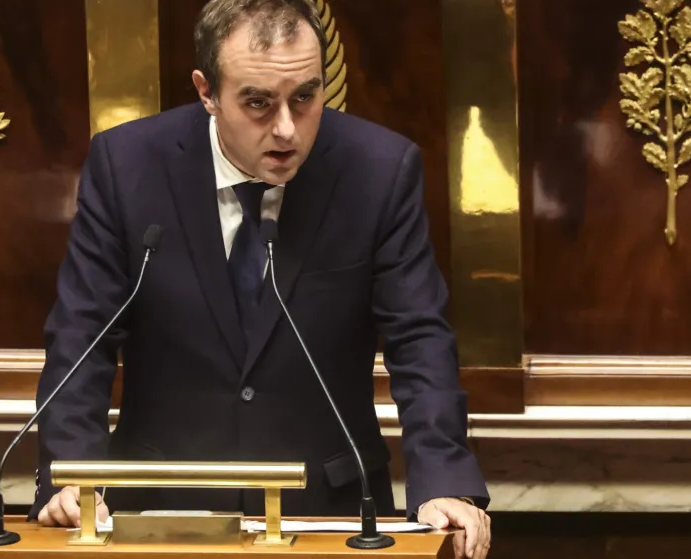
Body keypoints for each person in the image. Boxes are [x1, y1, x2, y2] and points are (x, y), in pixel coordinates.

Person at [29, 0, 491, 556]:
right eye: (258, 102)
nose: (287, 129)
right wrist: (72, 473)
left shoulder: (379, 171)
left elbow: (420, 338)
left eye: (305, 97)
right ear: (206, 91)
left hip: (328, 514)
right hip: (159, 513)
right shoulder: (127, 166)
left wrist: (443, 479)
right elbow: (83, 338)